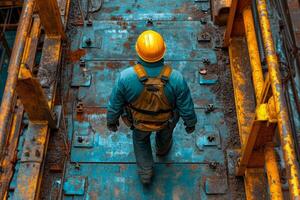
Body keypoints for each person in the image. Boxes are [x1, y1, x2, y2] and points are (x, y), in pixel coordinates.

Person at [106, 30, 197, 184]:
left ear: (138, 52)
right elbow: (185, 106)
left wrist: (112, 121)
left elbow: (115, 104)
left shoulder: (125, 77)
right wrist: (190, 123)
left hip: (139, 123)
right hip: (166, 122)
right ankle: (162, 150)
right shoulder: (176, 78)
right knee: (165, 135)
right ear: (163, 51)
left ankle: (146, 173)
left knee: (141, 142)